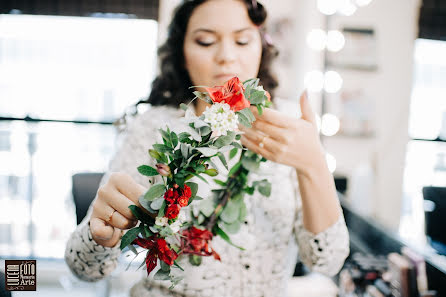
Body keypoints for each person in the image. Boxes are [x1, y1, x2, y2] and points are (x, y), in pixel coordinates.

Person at [64, 0, 350, 296]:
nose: (226, 56)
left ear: (261, 47)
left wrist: (313, 165)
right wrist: (99, 233)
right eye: (206, 41)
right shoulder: (150, 129)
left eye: (242, 40)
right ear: (182, 54)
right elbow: (84, 268)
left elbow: (327, 260)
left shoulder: (288, 128)